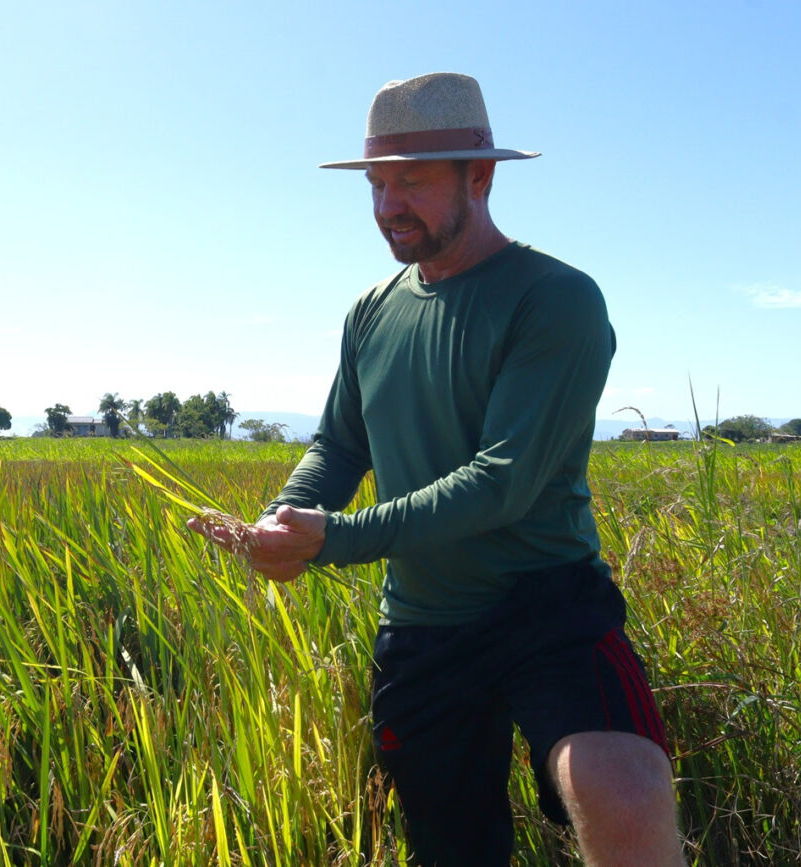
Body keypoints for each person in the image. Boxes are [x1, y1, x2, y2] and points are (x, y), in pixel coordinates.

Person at [188, 72, 685, 865]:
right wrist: (285, 517)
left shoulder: (553, 299)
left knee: (622, 789)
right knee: (451, 847)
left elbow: (504, 479)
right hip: (422, 624)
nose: (388, 205)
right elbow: (342, 444)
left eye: (411, 182)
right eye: (377, 184)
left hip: (547, 605)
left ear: (480, 176)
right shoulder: (372, 310)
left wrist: (331, 539)